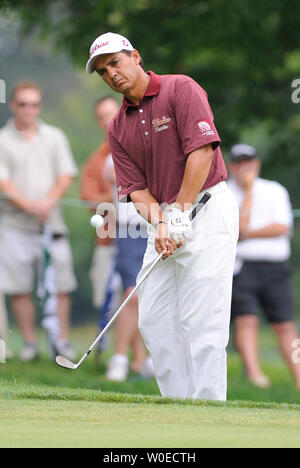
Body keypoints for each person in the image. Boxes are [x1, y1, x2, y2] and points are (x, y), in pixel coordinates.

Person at [86, 32, 239, 400]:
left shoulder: (180, 89)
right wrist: (161, 223)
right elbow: (135, 189)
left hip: (206, 207)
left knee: (203, 320)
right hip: (167, 219)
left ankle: (208, 411)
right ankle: (177, 407)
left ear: (135, 56)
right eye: (104, 71)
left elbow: (202, 152)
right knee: (154, 319)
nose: (112, 74)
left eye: (116, 63)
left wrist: (181, 212)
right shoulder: (118, 125)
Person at [0, 80, 78, 361]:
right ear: (13, 105)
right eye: (23, 104)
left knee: (61, 285)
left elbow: (66, 174)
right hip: (15, 226)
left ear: (39, 107)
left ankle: (62, 341)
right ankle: (31, 344)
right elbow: (3, 182)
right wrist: (30, 206)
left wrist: (47, 202)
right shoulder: (3, 139)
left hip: (52, 224)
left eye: (33, 104)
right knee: (19, 288)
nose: (28, 110)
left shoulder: (54, 136)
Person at [227, 143, 300, 389]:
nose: (244, 167)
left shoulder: (274, 190)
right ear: (231, 166)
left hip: (275, 267)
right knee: (246, 320)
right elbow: (236, 229)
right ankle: (257, 377)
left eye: (248, 162)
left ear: (256, 164)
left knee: (285, 325)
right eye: (239, 162)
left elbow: (281, 227)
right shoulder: (225, 193)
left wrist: (248, 234)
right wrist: (248, 193)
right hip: (242, 267)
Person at [81, 97, 116, 313]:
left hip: (143, 236)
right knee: (106, 300)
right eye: (102, 117)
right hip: (108, 240)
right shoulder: (97, 159)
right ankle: (111, 347)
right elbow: (88, 198)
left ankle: (136, 349)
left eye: (110, 114)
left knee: (140, 300)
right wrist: (118, 197)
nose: (107, 121)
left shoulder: (141, 147)